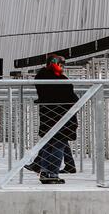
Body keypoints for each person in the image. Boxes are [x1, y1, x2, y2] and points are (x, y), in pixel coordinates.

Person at [32, 54, 78, 184]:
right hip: (62, 117)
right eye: (60, 64)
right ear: (55, 64)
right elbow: (71, 97)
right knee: (58, 145)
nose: (62, 67)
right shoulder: (60, 80)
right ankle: (52, 174)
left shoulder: (41, 79)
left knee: (48, 145)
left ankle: (45, 172)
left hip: (48, 116)